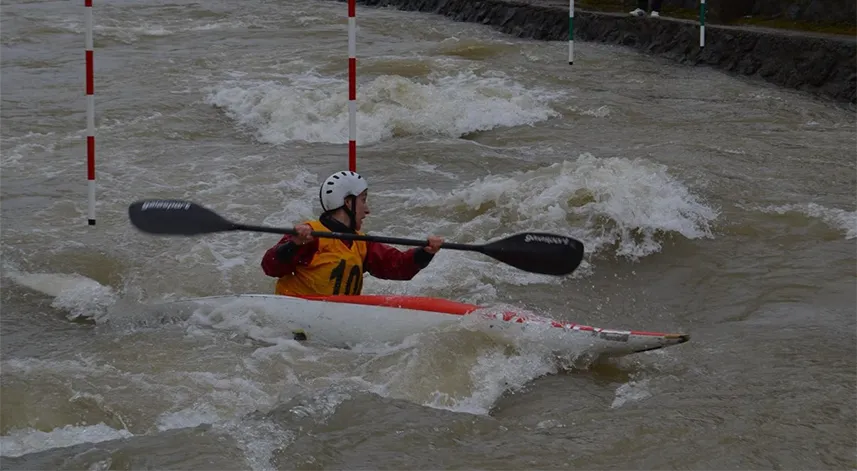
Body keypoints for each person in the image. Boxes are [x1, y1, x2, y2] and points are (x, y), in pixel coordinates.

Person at [261, 171, 443, 296]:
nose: (367, 210)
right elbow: (270, 267)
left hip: (334, 319)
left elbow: (398, 267)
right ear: (348, 203)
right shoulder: (309, 235)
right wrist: (293, 244)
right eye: (363, 201)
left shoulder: (361, 243)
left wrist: (425, 252)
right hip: (295, 316)